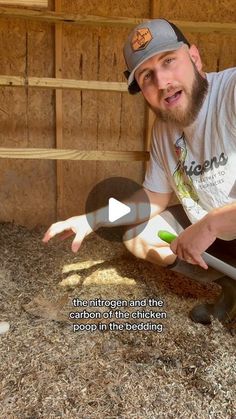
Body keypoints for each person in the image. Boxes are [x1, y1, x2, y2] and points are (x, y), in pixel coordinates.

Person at [43, 19, 236, 325]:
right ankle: (230, 285)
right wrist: (93, 219)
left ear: (195, 58)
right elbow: (152, 198)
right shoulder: (163, 130)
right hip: (220, 233)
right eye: (147, 76)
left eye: (169, 61)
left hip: (221, 225)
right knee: (139, 234)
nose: (162, 82)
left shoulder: (232, 93)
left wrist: (212, 224)